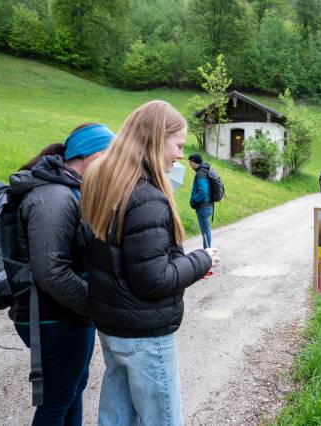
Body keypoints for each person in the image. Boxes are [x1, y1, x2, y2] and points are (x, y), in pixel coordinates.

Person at [80, 101, 219, 426]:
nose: (181, 155)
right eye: (179, 145)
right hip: (145, 334)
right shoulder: (147, 197)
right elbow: (153, 280)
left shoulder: (105, 183)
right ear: (158, 139)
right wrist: (201, 259)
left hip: (114, 329)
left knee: (117, 418)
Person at [9, 123, 114, 425]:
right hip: (54, 316)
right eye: (110, 156)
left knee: (71, 391)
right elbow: (50, 270)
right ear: (91, 155)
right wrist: (93, 306)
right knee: (57, 401)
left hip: (64, 314)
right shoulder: (54, 196)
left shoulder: (69, 190)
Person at [188, 153, 214, 248]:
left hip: (203, 207)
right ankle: (208, 251)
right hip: (208, 205)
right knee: (206, 230)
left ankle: (207, 253)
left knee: (205, 231)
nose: (190, 165)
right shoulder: (205, 170)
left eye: (190, 163)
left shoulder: (200, 173)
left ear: (194, 162)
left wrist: (194, 201)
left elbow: (202, 192)